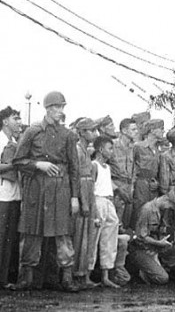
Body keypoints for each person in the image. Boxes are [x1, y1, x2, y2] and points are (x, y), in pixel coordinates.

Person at [12, 91, 80, 292]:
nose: (61, 111)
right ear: (48, 109)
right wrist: (37, 164)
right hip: (37, 189)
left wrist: (75, 197)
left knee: (63, 234)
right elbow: (18, 161)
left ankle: (67, 278)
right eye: (58, 107)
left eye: (62, 107)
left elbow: (74, 168)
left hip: (61, 189)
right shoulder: (32, 131)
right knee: (32, 232)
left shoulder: (67, 135)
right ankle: (26, 279)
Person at [128, 187, 175, 285]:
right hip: (142, 250)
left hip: (156, 248)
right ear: (166, 200)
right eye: (171, 206)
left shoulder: (163, 211)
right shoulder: (147, 210)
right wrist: (158, 243)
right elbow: (141, 237)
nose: (171, 209)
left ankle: (159, 267)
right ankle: (146, 271)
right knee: (163, 279)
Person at [89, 136, 121, 288]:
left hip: (108, 202)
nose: (112, 151)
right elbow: (91, 189)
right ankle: (87, 275)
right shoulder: (93, 165)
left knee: (109, 240)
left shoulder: (107, 168)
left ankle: (106, 276)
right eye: (110, 148)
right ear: (100, 150)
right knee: (93, 239)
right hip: (98, 201)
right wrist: (94, 210)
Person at [72, 118, 100, 289]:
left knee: (87, 235)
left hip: (89, 191)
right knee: (79, 235)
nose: (93, 133)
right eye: (90, 130)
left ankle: (83, 275)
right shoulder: (77, 150)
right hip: (83, 192)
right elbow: (77, 178)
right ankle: (76, 274)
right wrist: (83, 202)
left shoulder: (85, 151)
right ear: (82, 132)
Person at [0, 106, 21, 288]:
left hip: (14, 195)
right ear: (5, 121)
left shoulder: (15, 141)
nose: (19, 122)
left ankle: (4, 278)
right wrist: (15, 164)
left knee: (10, 239)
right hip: (2, 196)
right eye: (15, 118)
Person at [132, 119, 163, 227]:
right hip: (141, 185)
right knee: (139, 212)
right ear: (152, 130)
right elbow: (132, 166)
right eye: (161, 129)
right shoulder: (138, 146)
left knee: (152, 214)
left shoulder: (158, 150)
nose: (163, 131)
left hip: (153, 187)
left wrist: (157, 183)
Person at [110, 118, 138, 230]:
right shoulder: (112, 146)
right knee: (114, 222)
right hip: (115, 188)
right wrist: (117, 188)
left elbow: (134, 168)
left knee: (125, 223)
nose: (136, 131)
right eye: (133, 129)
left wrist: (132, 186)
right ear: (124, 131)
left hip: (129, 187)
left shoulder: (133, 148)